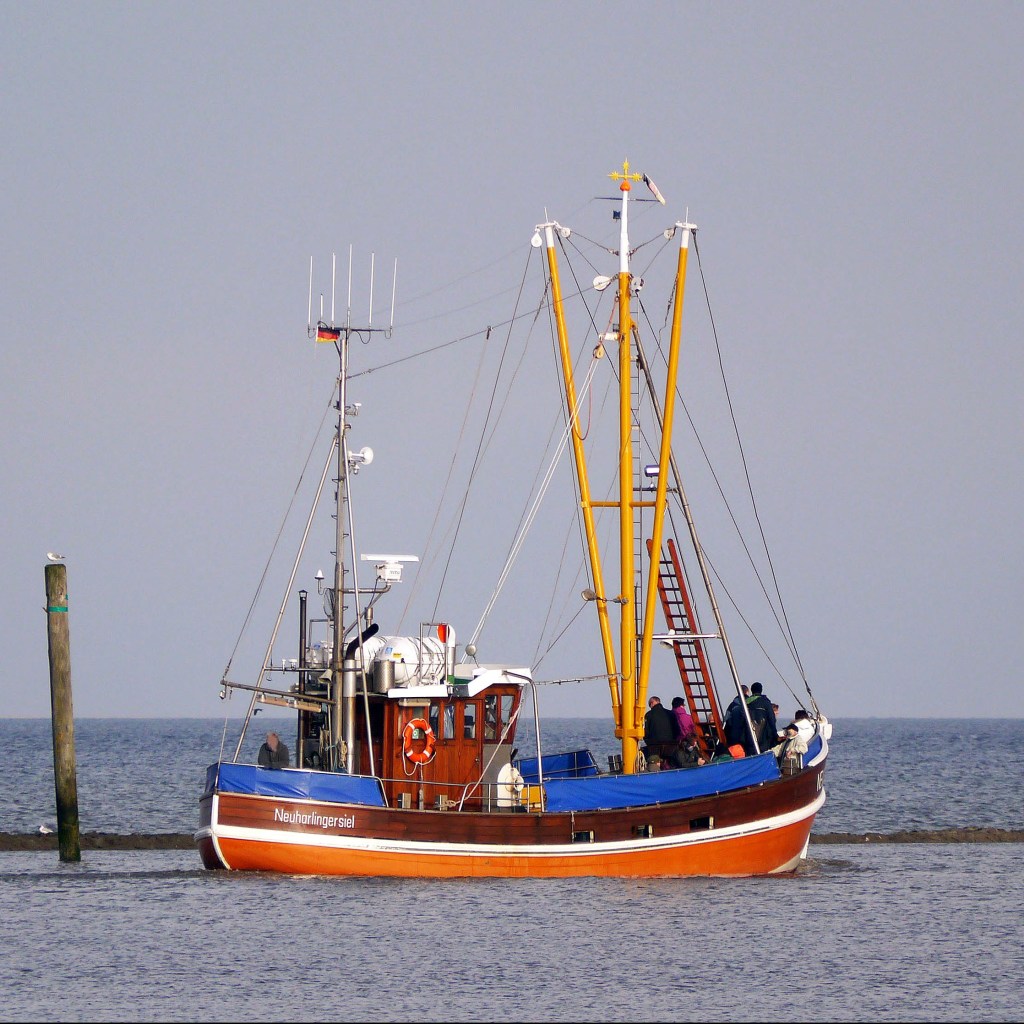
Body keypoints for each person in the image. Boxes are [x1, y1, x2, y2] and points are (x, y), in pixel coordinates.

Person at [642, 695, 684, 769]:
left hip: (654, 746)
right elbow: (678, 730)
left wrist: (647, 741)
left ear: (651, 704)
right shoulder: (671, 714)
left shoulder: (648, 715)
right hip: (671, 745)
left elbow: (646, 733)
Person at [745, 682, 778, 755]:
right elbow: (771, 719)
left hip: (748, 735)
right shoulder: (765, 702)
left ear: (752, 690)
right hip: (763, 736)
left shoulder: (745, 703)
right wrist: (775, 735)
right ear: (761, 690)